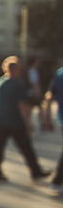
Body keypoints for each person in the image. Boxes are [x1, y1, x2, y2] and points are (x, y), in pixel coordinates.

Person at [0, 55, 51, 182]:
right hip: (15, 121)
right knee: (26, 147)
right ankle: (36, 171)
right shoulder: (18, 84)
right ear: (15, 70)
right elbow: (22, 105)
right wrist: (28, 123)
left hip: (1, 119)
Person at [44, 66, 63, 194]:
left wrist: (47, 117)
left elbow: (49, 96)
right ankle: (57, 180)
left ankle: (57, 180)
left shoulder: (59, 73)